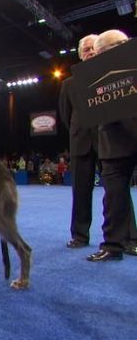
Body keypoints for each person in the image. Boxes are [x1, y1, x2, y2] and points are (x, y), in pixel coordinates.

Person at [86, 29, 137, 261]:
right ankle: (113, 245)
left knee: (114, 196)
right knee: (114, 197)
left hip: (120, 139)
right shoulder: (91, 75)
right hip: (112, 141)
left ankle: (121, 244)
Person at [59, 34, 101, 248]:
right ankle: (80, 236)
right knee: (81, 192)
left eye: (94, 48)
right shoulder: (69, 83)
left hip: (109, 141)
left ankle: (127, 237)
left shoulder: (112, 75)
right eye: (86, 50)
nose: (90, 52)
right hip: (81, 142)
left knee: (117, 191)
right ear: (81, 56)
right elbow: (66, 115)